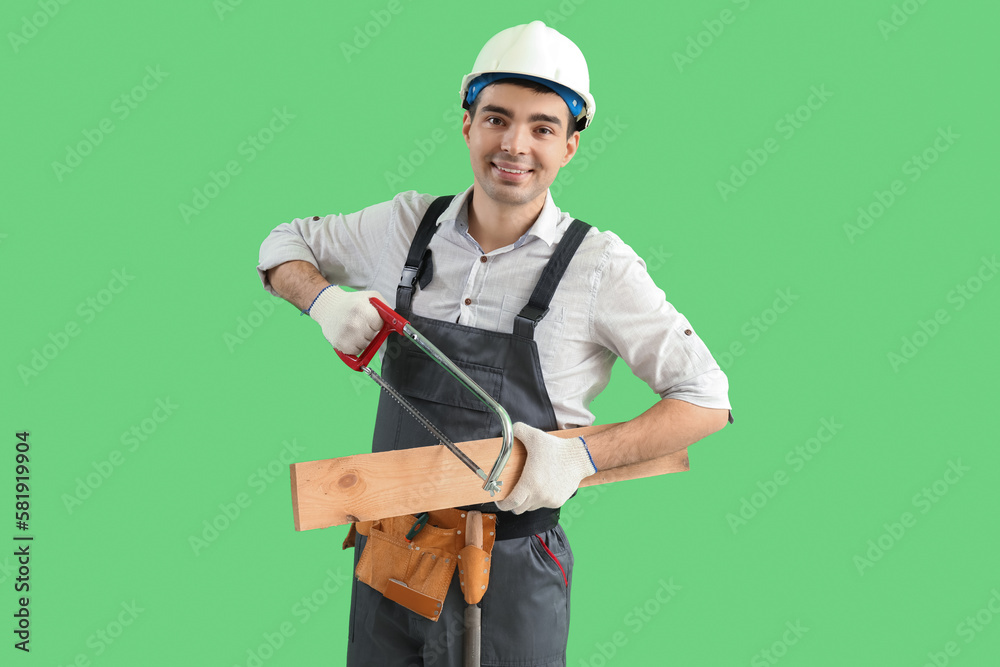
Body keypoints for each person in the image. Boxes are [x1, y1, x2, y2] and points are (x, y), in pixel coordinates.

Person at [257, 20, 732, 667]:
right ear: (467, 124)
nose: (514, 143)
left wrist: (584, 456)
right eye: (497, 118)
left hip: (509, 570)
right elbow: (282, 244)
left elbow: (706, 400)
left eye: (541, 126)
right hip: (390, 555)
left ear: (571, 144)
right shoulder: (405, 225)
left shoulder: (600, 266)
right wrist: (322, 300)